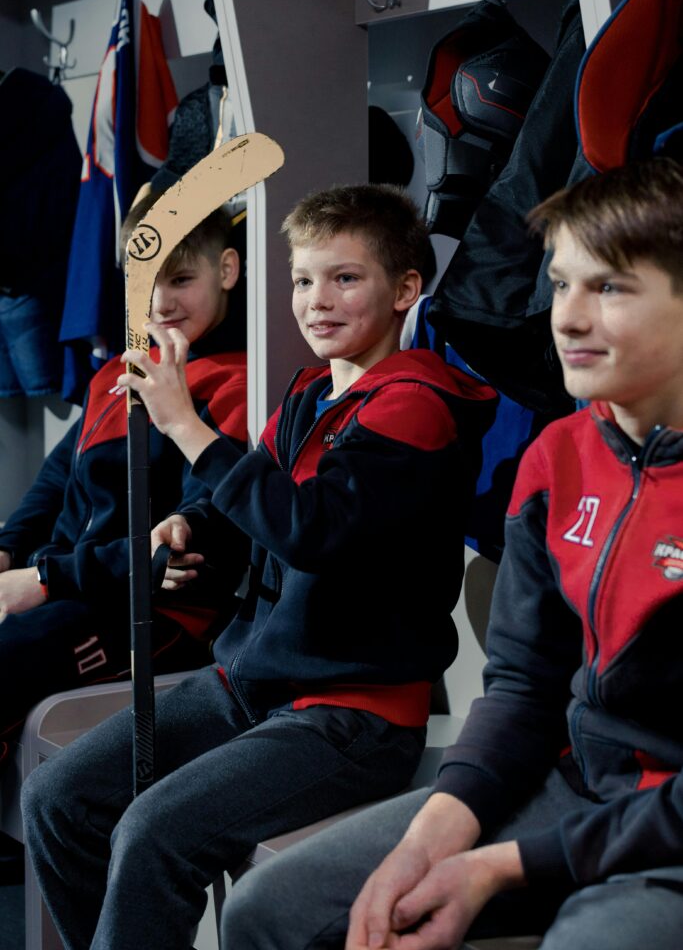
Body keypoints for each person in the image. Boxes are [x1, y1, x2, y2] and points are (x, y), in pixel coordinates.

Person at [219, 157, 683, 950]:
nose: (565, 319)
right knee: (270, 908)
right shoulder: (558, 458)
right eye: (560, 284)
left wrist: (503, 865)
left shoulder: (413, 402)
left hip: (664, 824)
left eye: (607, 288)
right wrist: (436, 832)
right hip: (572, 789)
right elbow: (523, 689)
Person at [20, 183, 495, 950]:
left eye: (346, 278)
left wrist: (184, 425)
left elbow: (313, 531)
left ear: (406, 289)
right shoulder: (310, 394)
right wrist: (188, 524)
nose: (316, 300)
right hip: (249, 685)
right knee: (59, 797)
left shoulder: (415, 406)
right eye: (305, 279)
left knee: (150, 833)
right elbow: (249, 502)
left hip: (352, 715)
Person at [0, 193, 249, 769]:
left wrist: (42, 580)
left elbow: (185, 550)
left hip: (149, 621)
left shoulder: (234, 385)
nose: (159, 301)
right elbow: (55, 480)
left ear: (227, 269)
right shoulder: (117, 371)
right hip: (66, 586)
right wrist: (9, 549)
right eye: (144, 280)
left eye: (181, 278)